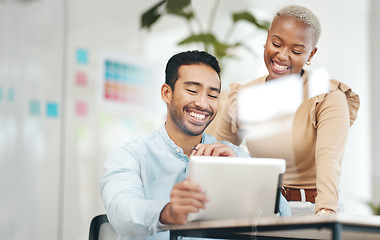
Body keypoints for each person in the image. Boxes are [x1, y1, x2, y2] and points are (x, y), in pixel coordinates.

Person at [100, 50, 291, 240]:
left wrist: (242, 175)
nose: (202, 103)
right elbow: (121, 210)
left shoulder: (232, 155)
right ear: (167, 93)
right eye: (192, 90)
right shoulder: (131, 153)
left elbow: (283, 219)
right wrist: (168, 212)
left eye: (212, 95)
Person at [214, 5, 360, 216]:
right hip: (258, 209)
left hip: (308, 210)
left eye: (296, 50)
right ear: (267, 38)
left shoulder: (326, 97)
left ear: (311, 54)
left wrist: (326, 212)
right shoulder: (243, 95)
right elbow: (218, 155)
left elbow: (329, 159)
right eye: (276, 43)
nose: (282, 55)